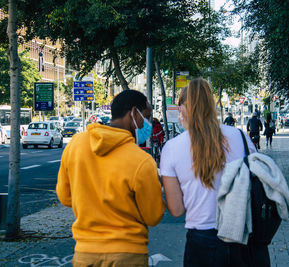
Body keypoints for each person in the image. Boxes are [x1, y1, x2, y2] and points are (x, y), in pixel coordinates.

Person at [160, 78, 264, 267]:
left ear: (182, 108)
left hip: (201, 243)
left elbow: (177, 210)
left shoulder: (171, 148)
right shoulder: (241, 138)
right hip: (241, 236)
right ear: (212, 104)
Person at [56, 90, 165, 267]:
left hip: (85, 254)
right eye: (146, 116)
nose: (148, 123)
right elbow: (153, 216)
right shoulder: (142, 161)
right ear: (133, 113)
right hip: (128, 254)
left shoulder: (75, 145)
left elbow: (65, 197)